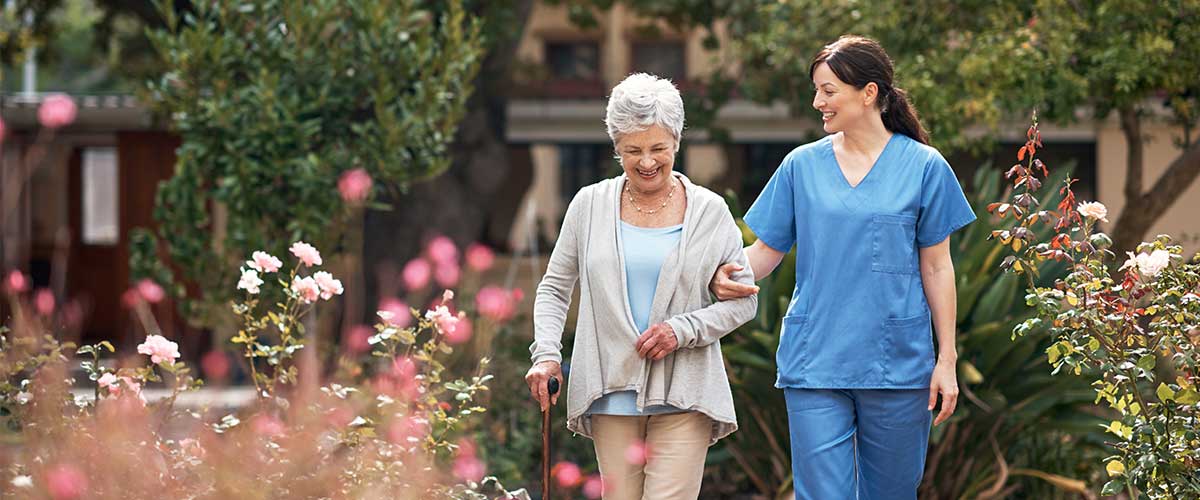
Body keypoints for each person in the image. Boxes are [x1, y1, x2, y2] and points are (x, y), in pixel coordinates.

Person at [708, 35, 976, 499]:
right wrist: (720, 276)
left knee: (891, 493)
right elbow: (766, 253)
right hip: (817, 360)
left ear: (868, 93)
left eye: (828, 91)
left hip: (898, 362)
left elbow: (937, 268)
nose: (818, 102)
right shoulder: (800, 166)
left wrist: (946, 359)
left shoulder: (925, 167)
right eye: (817, 91)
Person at [525, 72, 758, 500]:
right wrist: (546, 356)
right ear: (616, 147)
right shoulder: (589, 205)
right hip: (610, 391)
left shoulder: (709, 211)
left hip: (685, 391)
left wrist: (680, 330)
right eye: (633, 150)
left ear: (677, 142)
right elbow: (555, 287)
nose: (647, 161)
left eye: (658, 149)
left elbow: (742, 303)